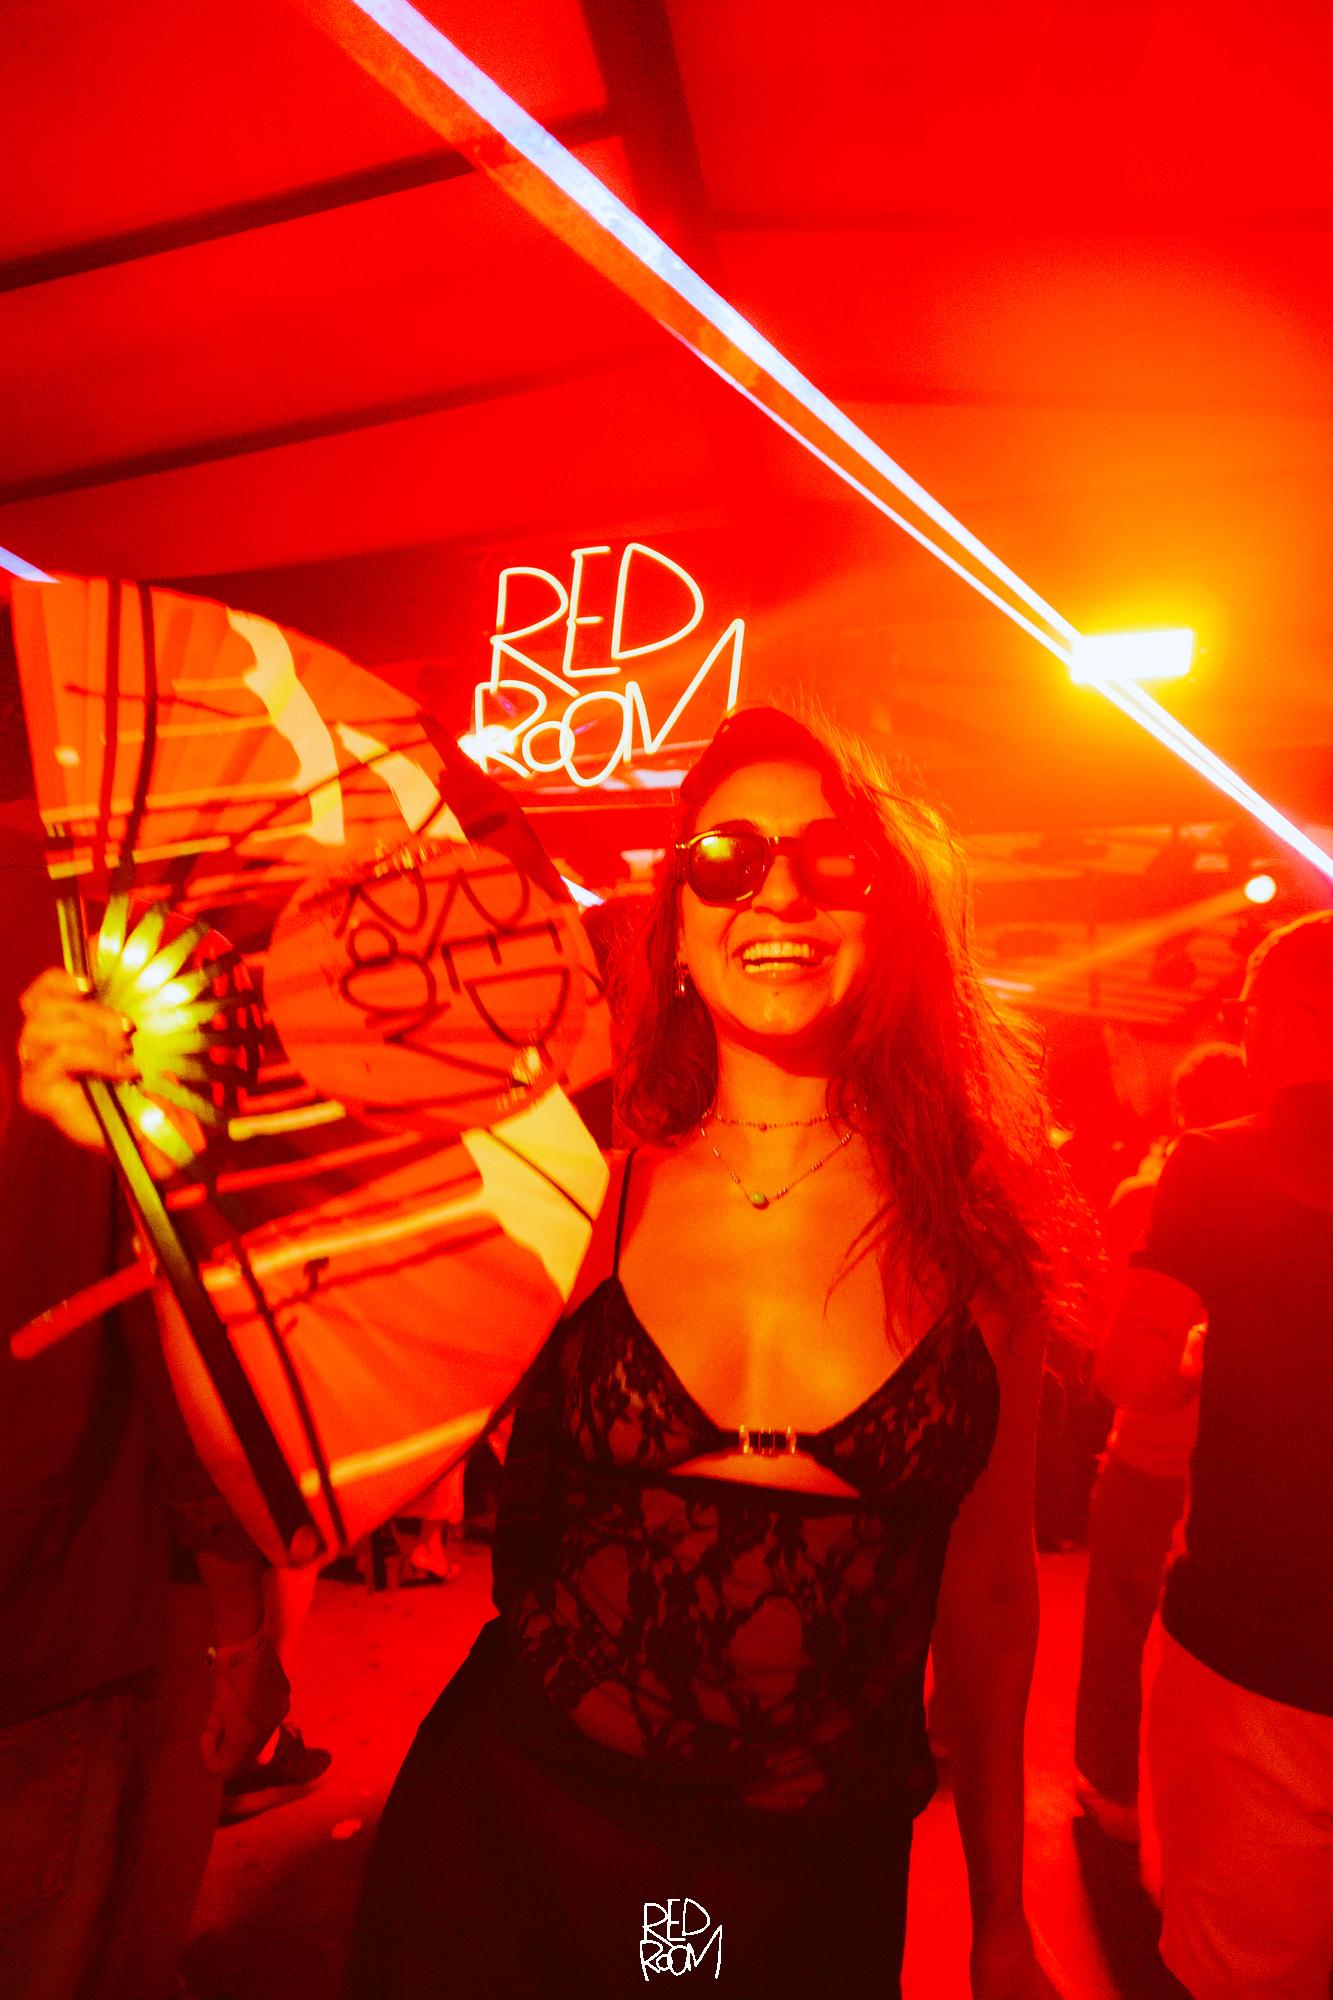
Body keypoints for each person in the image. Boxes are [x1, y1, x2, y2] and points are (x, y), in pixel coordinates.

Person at [340, 705, 1084, 1998]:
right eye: (728, 858)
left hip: (800, 1891)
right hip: (517, 1836)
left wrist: (1002, 1917)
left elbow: (992, 1601)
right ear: (678, 924)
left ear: (892, 914)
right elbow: (342, 1399)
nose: (777, 892)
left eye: (830, 857)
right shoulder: (583, 1202)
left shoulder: (977, 1245)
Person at [1100, 911, 1333, 2000]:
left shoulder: (1213, 1162)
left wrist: (1193, 1354)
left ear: (1281, 1023)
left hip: (1257, 1643)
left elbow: (1132, 1370)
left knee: (1239, 1970)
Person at [1074, 1041, 1249, 1843]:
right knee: (1209, 1655)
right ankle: (1191, 1805)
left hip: (1147, 1451)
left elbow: (1105, 1332)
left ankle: (1111, 1790)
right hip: (1238, 1467)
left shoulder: (1143, 1199)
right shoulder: (1281, 1199)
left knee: (1116, 1628)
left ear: (1179, 1110)